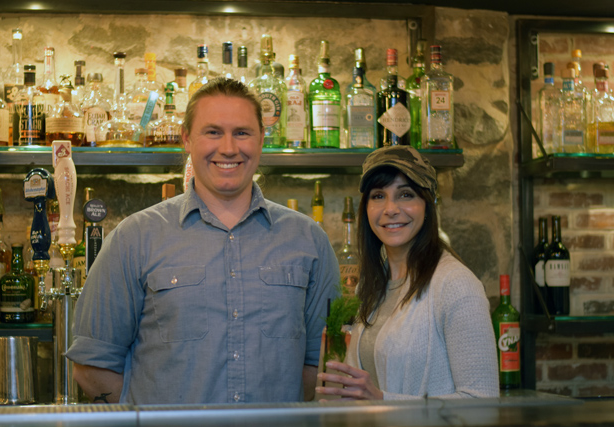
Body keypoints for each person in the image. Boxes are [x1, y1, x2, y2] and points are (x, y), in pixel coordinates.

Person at [67, 78, 340, 404]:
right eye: (213, 132)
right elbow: (92, 366)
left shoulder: (309, 241)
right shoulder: (134, 239)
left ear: (262, 139)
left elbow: (321, 366)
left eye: (242, 132)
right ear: (186, 139)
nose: (229, 148)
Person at [316, 145, 499, 400]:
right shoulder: (371, 285)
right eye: (378, 196)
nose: (390, 208)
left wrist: (383, 401)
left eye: (405, 194)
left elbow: (483, 402)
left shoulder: (457, 285)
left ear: (428, 204)